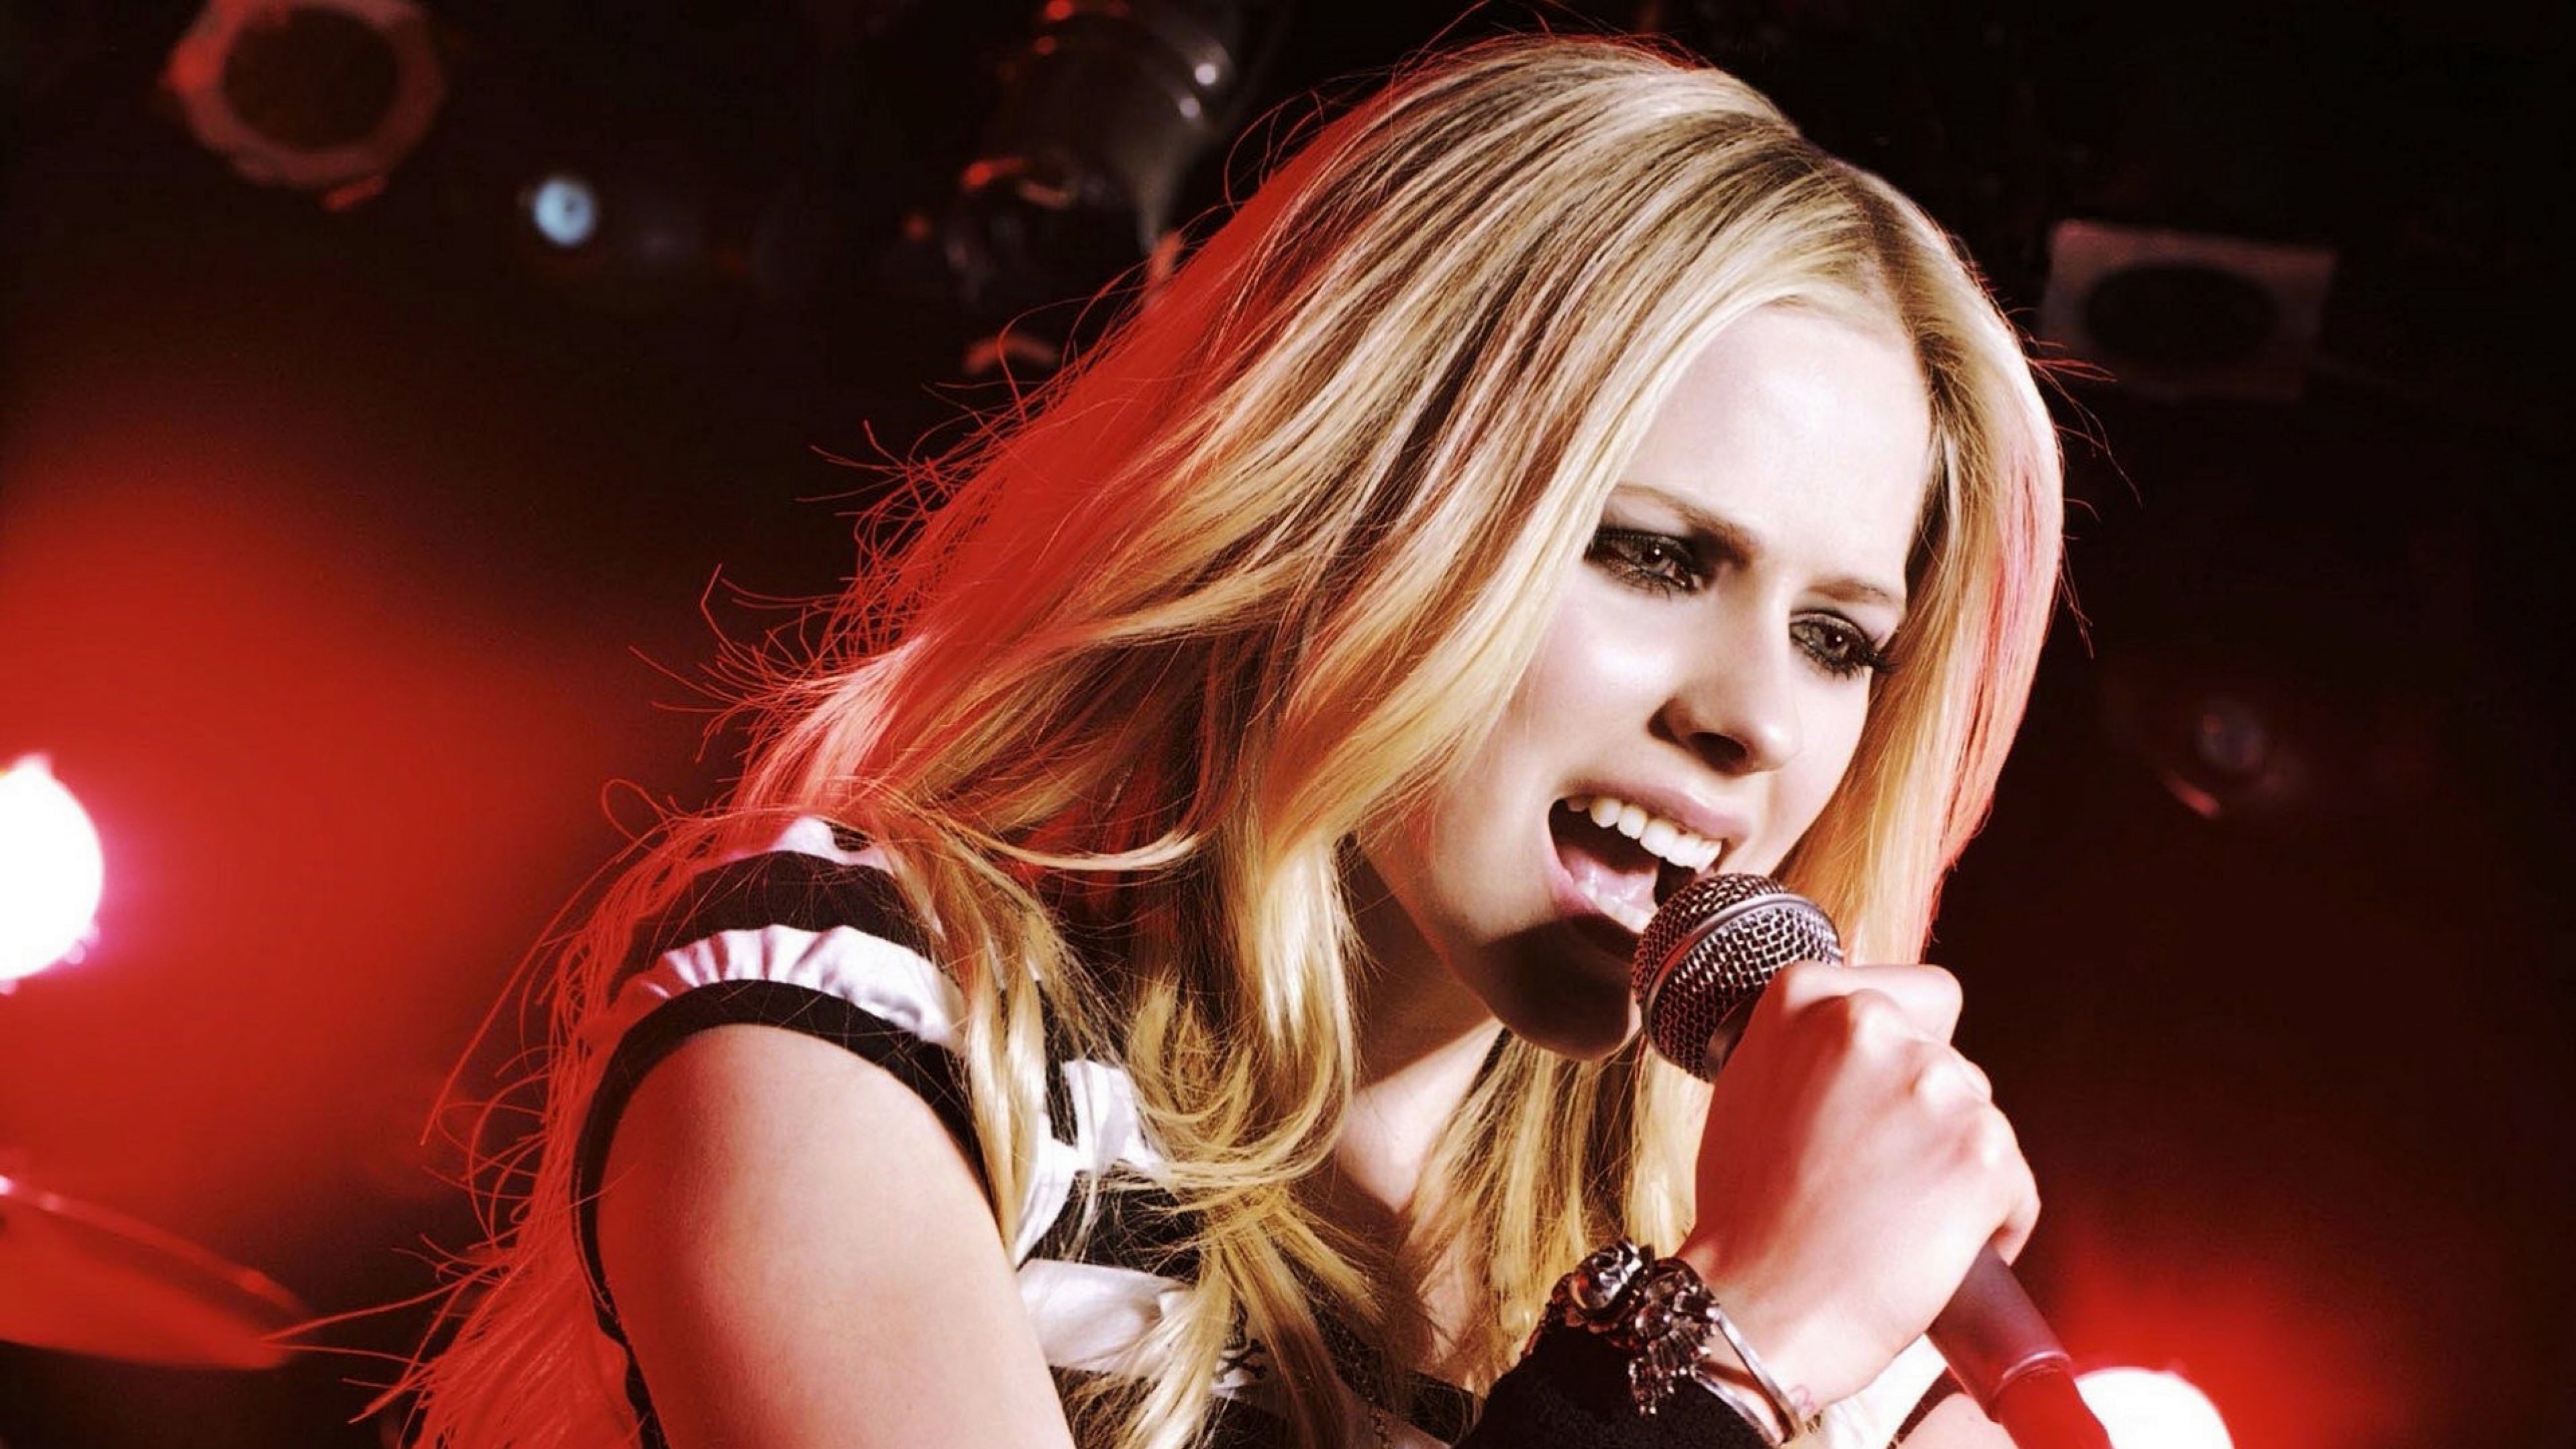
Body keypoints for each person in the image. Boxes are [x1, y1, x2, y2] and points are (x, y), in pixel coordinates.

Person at [397, 32, 2062, 1449]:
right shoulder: (872, 1036)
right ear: (1357, 502)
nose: (1753, 718)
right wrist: (1721, 1347)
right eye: (1655, 556)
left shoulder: (1790, 1295)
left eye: (1839, 640)